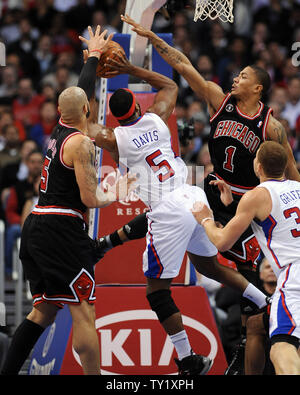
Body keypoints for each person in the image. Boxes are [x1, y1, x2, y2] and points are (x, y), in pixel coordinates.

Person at [120, 14, 300, 374]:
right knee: (185, 233)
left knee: (254, 320)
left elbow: (292, 177)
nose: (236, 78)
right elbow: (184, 65)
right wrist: (152, 36)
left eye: (244, 76)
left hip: (248, 210)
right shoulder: (219, 100)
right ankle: (112, 242)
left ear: (258, 89)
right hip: (213, 197)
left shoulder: (272, 127)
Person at [87, 48, 270, 375]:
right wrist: (132, 68)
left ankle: (188, 358)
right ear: (137, 106)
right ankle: (261, 298)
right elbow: (169, 85)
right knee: (210, 267)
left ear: (115, 117)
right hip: (191, 194)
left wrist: (91, 67)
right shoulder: (157, 118)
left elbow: (82, 124)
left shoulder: (115, 138)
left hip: (167, 210)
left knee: (156, 293)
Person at [1, 25, 136, 376]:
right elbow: (91, 198)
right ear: (87, 112)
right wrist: (115, 191)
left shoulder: (59, 129)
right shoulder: (81, 143)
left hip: (37, 226)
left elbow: (80, 93)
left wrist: (92, 57)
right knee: (84, 310)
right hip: (61, 228)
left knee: (42, 311)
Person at [192, 141, 300, 375]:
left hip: (294, 276)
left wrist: (205, 219)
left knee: (281, 347)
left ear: (258, 166)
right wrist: (233, 204)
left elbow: (222, 242)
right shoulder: (296, 186)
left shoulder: (257, 195)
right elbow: (273, 213)